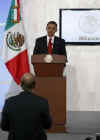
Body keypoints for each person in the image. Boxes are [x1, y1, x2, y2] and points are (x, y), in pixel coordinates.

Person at [0, 73, 52, 140]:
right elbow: (48, 125)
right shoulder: (42, 102)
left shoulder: (9, 102)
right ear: (34, 85)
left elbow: (4, 126)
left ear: (21, 85)